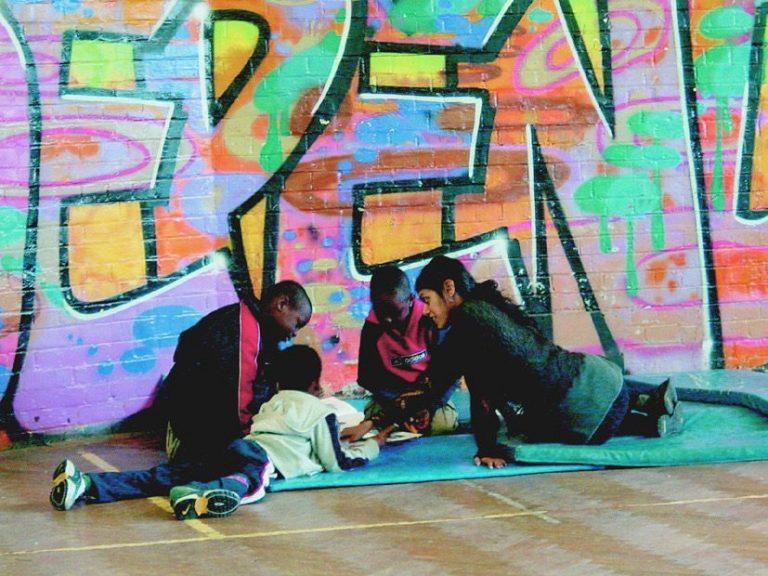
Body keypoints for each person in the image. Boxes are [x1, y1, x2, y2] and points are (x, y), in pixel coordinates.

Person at [50, 345, 390, 520]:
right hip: (259, 459)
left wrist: (338, 436)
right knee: (251, 484)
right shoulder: (321, 411)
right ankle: (198, 494)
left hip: (235, 446)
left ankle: (87, 484)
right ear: (316, 385)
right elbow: (337, 463)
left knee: (161, 475)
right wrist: (373, 445)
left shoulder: (273, 403)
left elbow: (297, 436)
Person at [411, 255, 684, 469]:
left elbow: (475, 393)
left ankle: (648, 421)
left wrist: (487, 450)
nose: (426, 311)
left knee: (532, 426)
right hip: (605, 378)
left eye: (427, 300)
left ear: (448, 288)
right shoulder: (489, 306)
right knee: (553, 397)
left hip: (589, 419)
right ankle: (647, 402)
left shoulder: (467, 320)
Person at [161, 280, 312, 462]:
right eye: (297, 323)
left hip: (201, 423)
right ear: (282, 304)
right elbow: (240, 399)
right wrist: (259, 438)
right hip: (192, 433)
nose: (295, 333)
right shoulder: (245, 331)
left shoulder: (248, 319)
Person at [346, 266, 459, 440]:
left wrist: (427, 407)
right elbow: (368, 378)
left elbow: (449, 374)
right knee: (374, 419)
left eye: (395, 313)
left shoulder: (431, 320)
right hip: (391, 398)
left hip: (429, 394)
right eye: (381, 312)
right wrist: (401, 406)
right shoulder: (372, 328)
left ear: (411, 300)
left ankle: (401, 422)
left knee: (442, 424)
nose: (387, 319)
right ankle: (398, 422)